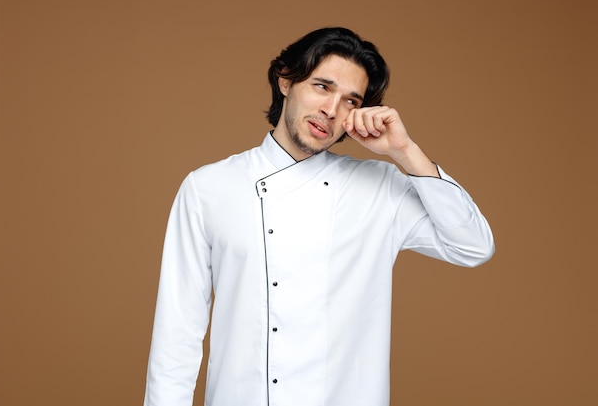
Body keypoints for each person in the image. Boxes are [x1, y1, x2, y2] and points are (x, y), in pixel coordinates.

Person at [143, 27, 494, 406]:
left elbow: (473, 245)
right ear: (285, 81)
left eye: (350, 100)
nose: (331, 110)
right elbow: (177, 336)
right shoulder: (208, 188)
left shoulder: (379, 188)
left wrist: (405, 151)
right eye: (322, 87)